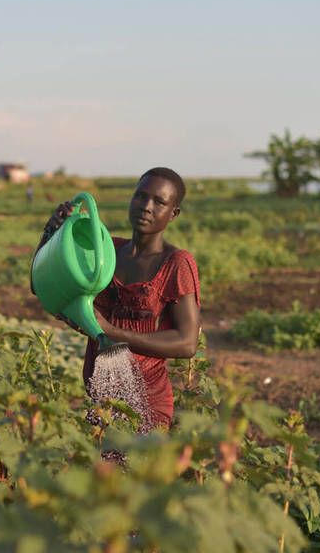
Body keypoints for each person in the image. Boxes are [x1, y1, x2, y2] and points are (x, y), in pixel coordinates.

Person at [34, 168, 200, 431]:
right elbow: (41, 284)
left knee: (137, 470)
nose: (146, 207)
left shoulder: (176, 263)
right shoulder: (105, 252)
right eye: (141, 196)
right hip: (101, 401)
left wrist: (110, 331)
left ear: (173, 214)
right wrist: (52, 233)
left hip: (146, 404)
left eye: (159, 202)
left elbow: (186, 343)